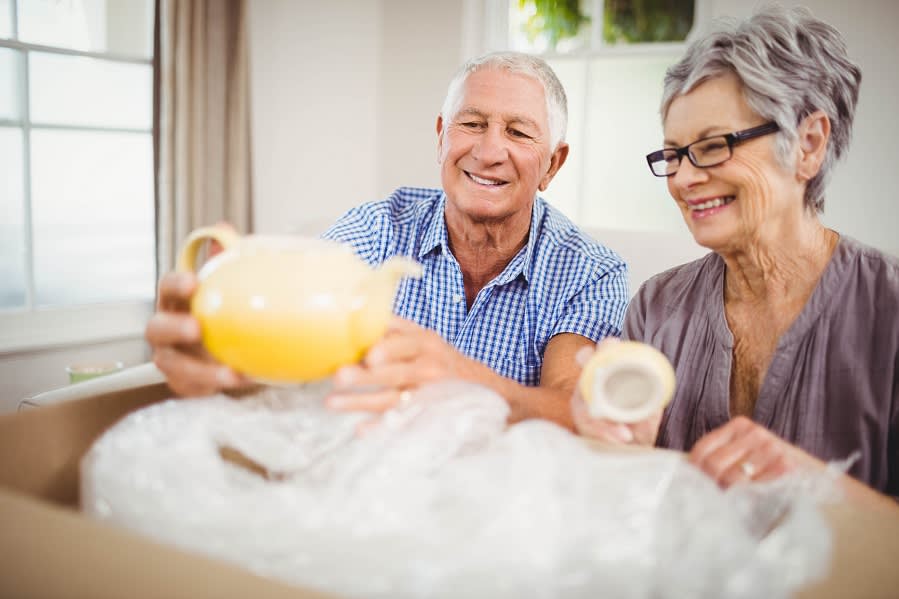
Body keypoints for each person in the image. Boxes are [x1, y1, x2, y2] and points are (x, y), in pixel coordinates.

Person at [146, 51, 629, 430]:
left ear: (553, 164)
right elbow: (294, 311)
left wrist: (461, 380)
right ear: (442, 136)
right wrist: (216, 347)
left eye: (519, 132)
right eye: (473, 123)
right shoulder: (378, 230)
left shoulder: (590, 271)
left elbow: (578, 411)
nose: (488, 151)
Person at [572, 6, 899, 504]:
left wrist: (817, 490)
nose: (682, 179)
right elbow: (625, 515)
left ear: (808, 144)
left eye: (712, 146)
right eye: (673, 154)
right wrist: (612, 454)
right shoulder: (655, 308)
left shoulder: (888, 311)